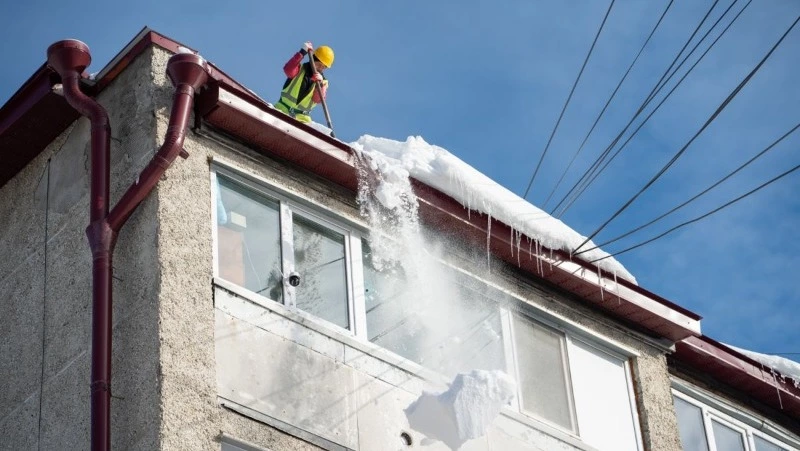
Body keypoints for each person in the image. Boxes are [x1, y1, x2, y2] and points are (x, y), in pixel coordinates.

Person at [275, 41, 334, 123]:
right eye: (319, 64)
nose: (320, 68)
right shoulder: (299, 69)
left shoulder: (322, 82)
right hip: (281, 110)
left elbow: (317, 99)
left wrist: (319, 85)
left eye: (324, 67)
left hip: (302, 120)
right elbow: (288, 69)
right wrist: (302, 53)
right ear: (312, 59)